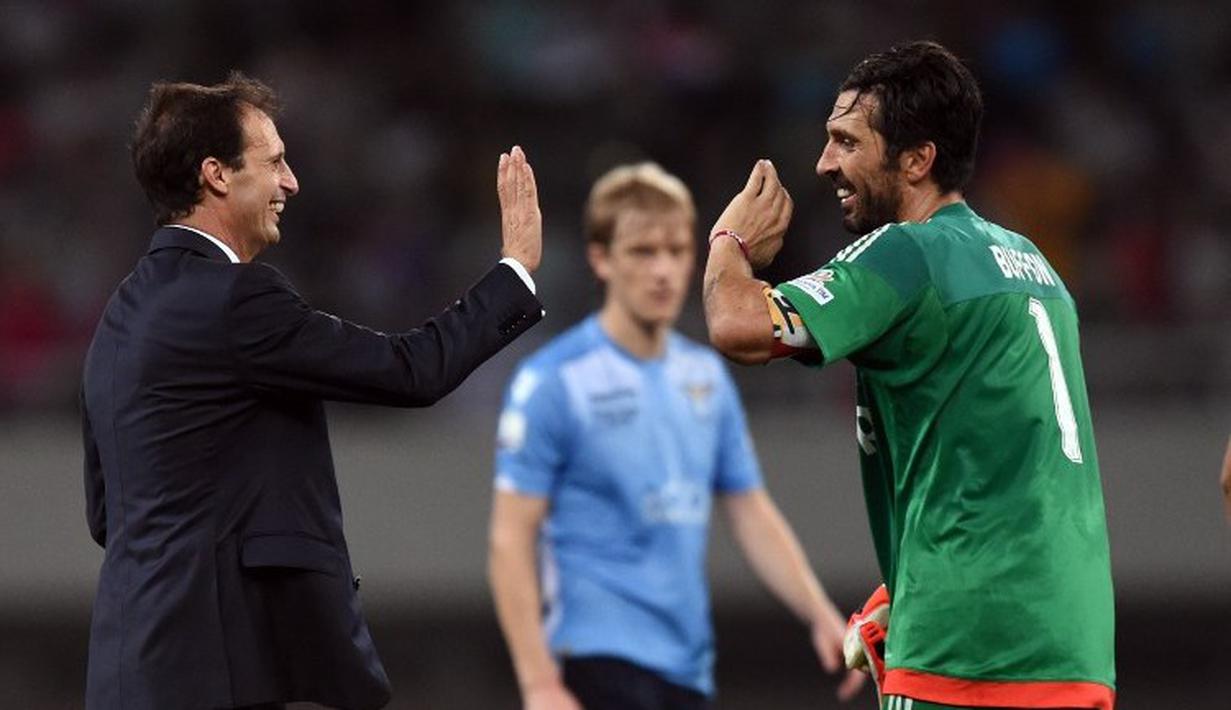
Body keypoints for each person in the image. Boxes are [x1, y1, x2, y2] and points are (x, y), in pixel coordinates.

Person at [81, 71, 544, 710]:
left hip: (126, 670)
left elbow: (108, 514)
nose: (291, 182)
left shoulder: (118, 318)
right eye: (273, 162)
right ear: (217, 175)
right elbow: (411, 370)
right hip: (216, 671)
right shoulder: (237, 299)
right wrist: (515, 271)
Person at [701, 42, 1116, 710]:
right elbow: (1002, 458)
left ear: (917, 159)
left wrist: (730, 244)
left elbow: (735, 326)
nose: (824, 163)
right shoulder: (1034, 265)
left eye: (847, 142)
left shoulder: (907, 253)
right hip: (1075, 645)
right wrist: (903, 591)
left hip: (963, 650)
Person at [487, 162, 862, 710]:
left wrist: (818, 613)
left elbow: (749, 510)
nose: (663, 270)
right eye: (643, 251)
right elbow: (510, 539)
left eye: (677, 251)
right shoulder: (554, 381)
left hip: (686, 672)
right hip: (591, 665)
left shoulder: (704, 377)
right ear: (601, 259)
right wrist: (539, 682)